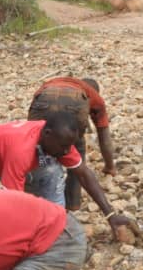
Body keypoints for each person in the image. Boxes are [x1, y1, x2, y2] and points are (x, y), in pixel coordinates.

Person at [0, 113, 131, 237]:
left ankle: (55, 224)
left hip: (23, 161)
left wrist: (110, 214)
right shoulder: (21, 150)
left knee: (50, 167)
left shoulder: (57, 140)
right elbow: (12, 204)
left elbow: (83, 174)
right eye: (63, 146)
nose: (66, 151)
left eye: (69, 146)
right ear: (47, 133)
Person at [27, 76, 116, 209]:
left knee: (39, 148)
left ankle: (36, 194)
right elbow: (104, 137)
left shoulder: (54, 82)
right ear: (95, 91)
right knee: (75, 148)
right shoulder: (94, 96)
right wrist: (110, 166)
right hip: (74, 105)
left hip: (44, 98)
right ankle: (72, 202)